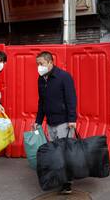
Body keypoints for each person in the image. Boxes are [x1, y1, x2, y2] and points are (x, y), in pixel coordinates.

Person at [33, 51, 77, 195]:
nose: (39, 67)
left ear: (50, 62)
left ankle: (67, 183)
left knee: (65, 152)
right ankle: (59, 178)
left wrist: (72, 119)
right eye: (37, 64)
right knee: (55, 152)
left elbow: (71, 99)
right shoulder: (41, 79)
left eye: (41, 64)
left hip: (64, 121)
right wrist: (38, 121)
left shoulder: (64, 77)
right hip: (50, 122)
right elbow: (42, 102)